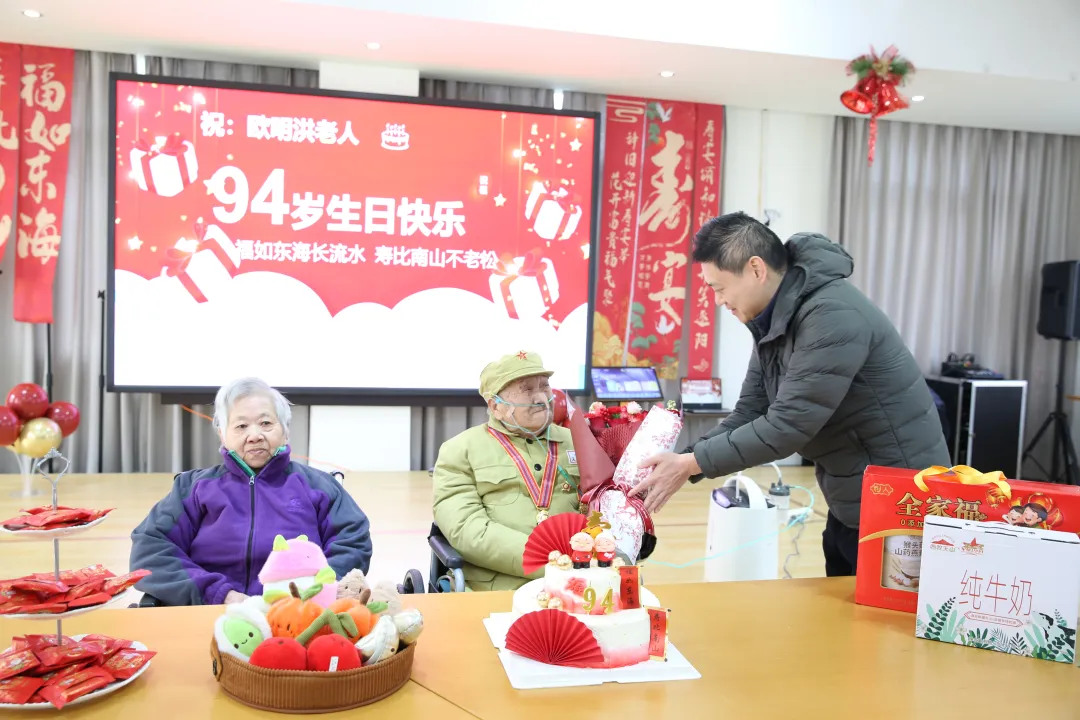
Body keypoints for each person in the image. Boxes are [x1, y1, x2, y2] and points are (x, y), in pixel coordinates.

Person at [631, 212, 950, 576]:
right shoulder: (774, 320)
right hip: (855, 494)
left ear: (755, 269)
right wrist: (683, 460)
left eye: (719, 288)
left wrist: (690, 464)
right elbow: (749, 412)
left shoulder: (831, 315)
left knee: (881, 609)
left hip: (899, 500)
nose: (718, 301)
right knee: (843, 600)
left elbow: (787, 426)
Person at [129, 378, 372, 605]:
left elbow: (352, 544)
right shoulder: (193, 488)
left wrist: (311, 592)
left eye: (266, 423)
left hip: (299, 613)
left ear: (285, 430)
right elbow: (150, 550)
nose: (254, 435)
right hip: (211, 610)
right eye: (241, 426)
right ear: (223, 435)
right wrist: (218, 593)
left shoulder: (319, 486)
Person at [432, 351, 581, 591]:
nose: (541, 397)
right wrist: (549, 561)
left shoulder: (580, 441)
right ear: (496, 406)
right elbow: (466, 529)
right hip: (500, 587)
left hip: (581, 578)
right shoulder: (460, 450)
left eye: (544, 386)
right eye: (527, 390)